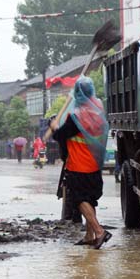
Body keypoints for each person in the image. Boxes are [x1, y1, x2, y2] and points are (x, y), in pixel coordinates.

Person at [50, 76, 112, 249]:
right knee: (90, 199)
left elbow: (60, 135)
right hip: (94, 164)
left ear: (77, 93)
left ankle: (99, 231)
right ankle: (89, 234)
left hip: (79, 164)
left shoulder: (76, 116)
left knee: (79, 199)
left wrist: (55, 126)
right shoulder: (98, 113)